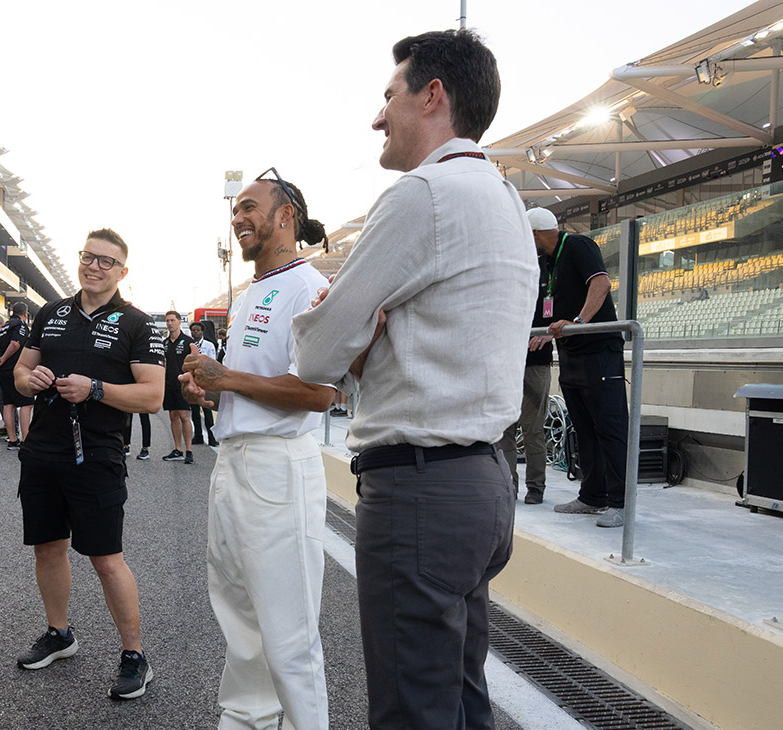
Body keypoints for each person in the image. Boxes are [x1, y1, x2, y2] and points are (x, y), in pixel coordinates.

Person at [292, 30, 536, 730]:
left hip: (421, 488)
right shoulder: (506, 200)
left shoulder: (422, 194)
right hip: (484, 481)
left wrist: (355, 335)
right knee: (460, 698)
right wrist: (369, 334)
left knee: (411, 712)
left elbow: (317, 354)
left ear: (432, 96)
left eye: (389, 95)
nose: (378, 117)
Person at [181, 171, 335, 730]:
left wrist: (226, 379)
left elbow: (319, 393)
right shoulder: (250, 294)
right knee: (240, 618)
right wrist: (208, 388)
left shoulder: (309, 287)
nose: (238, 218)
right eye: (236, 210)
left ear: (286, 215)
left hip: (277, 465)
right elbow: (245, 382)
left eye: (250, 207)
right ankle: (247, 719)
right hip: (233, 461)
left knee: (288, 631)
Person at [12, 228, 165, 700]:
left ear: (122, 271)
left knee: (105, 558)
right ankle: (59, 634)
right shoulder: (51, 312)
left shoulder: (139, 324)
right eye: (88, 257)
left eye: (106, 261)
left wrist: (95, 389)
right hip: (42, 451)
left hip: (97, 455)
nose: (94, 266)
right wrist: (29, 379)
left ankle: (135, 655)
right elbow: (20, 374)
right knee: (47, 548)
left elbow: (153, 397)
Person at [528, 207, 629, 528]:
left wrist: (579, 322)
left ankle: (620, 502)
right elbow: (550, 307)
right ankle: (592, 496)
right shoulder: (546, 262)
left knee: (610, 427)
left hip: (599, 351)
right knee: (584, 427)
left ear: (536, 233)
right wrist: (547, 333)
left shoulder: (578, 245)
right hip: (571, 353)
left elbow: (601, 283)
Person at [502, 249, 553, 504]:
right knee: (504, 428)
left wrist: (547, 333)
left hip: (535, 362)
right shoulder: (505, 278)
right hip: (506, 361)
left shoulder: (547, 275)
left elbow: (555, 313)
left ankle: (536, 486)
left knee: (532, 429)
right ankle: (508, 485)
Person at [0, 301, 34, 451]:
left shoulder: (5, 326)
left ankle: (12, 440)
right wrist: (3, 359)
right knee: (26, 403)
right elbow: (15, 344)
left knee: (8, 404)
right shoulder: (20, 325)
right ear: (25, 314)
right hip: (15, 368)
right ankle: (25, 440)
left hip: (2, 370)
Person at [160, 310, 196, 463]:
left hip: (183, 385)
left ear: (179, 322)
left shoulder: (188, 341)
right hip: (169, 384)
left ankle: (189, 451)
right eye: (167, 321)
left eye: (172, 320)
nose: (169, 323)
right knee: (173, 416)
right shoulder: (165, 343)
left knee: (184, 416)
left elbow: (196, 362)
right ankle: (178, 449)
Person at [187, 321, 218, 447]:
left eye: (198, 330)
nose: (196, 332)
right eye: (193, 330)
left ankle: (212, 437)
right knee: (195, 411)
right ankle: (198, 436)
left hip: (205, 381)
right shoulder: (189, 345)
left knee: (207, 410)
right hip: (193, 381)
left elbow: (213, 362)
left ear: (202, 332)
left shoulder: (209, 345)